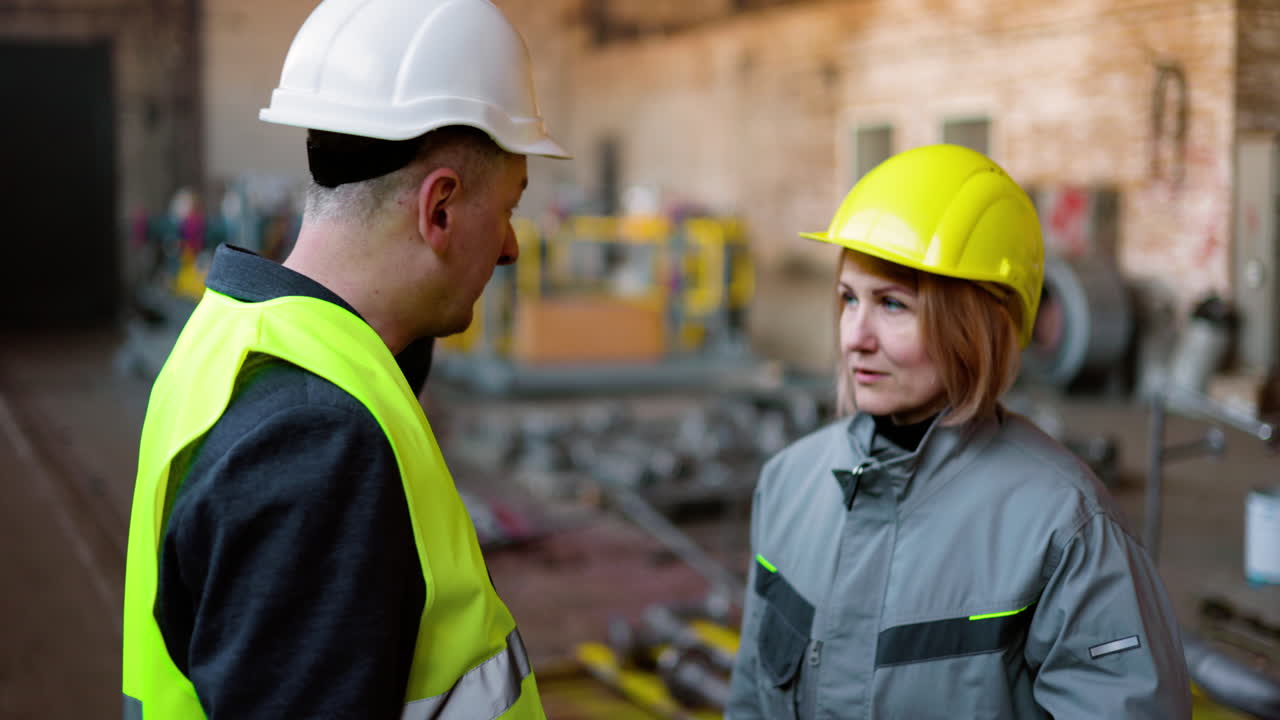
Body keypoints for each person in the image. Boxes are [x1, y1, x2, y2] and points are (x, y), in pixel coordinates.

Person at [121, 0, 569, 718]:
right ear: (441, 209)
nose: (512, 248)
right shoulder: (315, 443)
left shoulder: (233, 336)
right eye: (510, 209)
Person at [725, 144, 1191, 719]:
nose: (855, 336)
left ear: (974, 327)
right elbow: (750, 696)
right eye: (849, 299)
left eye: (893, 305)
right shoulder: (788, 483)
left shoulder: (1065, 529)